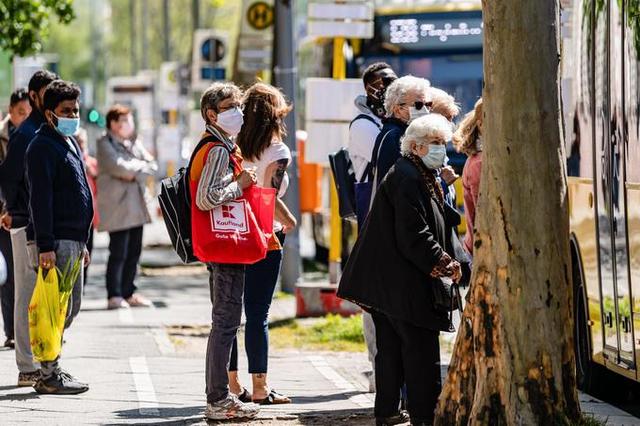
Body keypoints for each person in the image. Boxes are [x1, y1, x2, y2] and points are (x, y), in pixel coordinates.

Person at [338, 114, 462, 426]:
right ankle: (424, 417)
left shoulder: (414, 172)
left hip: (389, 283)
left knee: (391, 351)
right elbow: (413, 233)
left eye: (443, 143)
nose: (441, 150)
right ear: (417, 147)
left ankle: (388, 412)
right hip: (402, 285)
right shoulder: (408, 176)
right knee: (419, 355)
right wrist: (444, 263)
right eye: (436, 144)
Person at [193, 82, 260, 420]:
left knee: (224, 322)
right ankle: (218, 400)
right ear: (211, 114)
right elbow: (206, 198)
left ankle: (218, 398)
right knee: (226, 323)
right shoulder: (217, 149)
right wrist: (241, 185)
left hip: (221, 245)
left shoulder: (217, 145)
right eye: (231, 106)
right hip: (226, 246)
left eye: (239, 105)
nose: (239, 111)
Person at [228, 83, 296, 405]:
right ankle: (260, 387)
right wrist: (289, 220)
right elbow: (266, 196)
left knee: (228, 312)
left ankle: (231, 384)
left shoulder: (233, 144)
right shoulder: (277, 151)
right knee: (257, 313)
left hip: (230, 233)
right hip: (264, 236)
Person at [25, 79, 92, 394]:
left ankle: (51, 367)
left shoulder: (68, 142)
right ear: (49, 112)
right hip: (58, 241)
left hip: (75, 241)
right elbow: (41, 199)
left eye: (76, 110)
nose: (73, 115)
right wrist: (46, 245)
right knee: (55, 308)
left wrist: (84, 242)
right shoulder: (41, 146)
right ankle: (48, 373)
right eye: (66, 110)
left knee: (69, 306)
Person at [0, 69, 58, 387]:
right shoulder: (27, 132)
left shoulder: (46, 128)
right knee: (25, 294)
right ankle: (26, 365)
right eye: (48, 92)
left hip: (40, 226)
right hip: (24, 225)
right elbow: (7, 175)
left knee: (38, 294)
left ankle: (39, 357)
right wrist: (14, 209)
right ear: (35, 96)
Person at [347, 62, 397, 393]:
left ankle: (389, 371)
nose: (390, 87)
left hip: (389, 218)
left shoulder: (383, 122)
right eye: (385, 83)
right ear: (371, 89)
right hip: (373, 219)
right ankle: (378, 368)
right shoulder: (365, 126)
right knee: (374, 298)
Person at [97, 105, 157, 310]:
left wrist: (135, 169)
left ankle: (128, 292)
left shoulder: (134, 143)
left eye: (129, 120)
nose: (128, 125)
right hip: (118, 208)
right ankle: (114, 294)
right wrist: (137, 168)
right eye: (124, 121)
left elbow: (151, 165)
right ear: (113, 123)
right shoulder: (104, 143)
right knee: (118, 251)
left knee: (134, 251)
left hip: (137, 207)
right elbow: (119, 167)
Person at [0, 88, 31, 349]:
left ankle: (27, 330)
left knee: (25, 274)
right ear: (10, 112)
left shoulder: (33, 135)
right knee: (8, 275)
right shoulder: (2, 136)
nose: (24, 117)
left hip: (21, 214)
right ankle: (11, 331)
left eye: (28, 112)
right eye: (20, 112)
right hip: (3, 217)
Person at [371, 76, 431, 193]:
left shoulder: (408, 133)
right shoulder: (394, 137)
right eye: (418, 105)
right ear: (398, 110)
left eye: (428, 104)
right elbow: (399, 188)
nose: (426, 110)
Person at [348, 62, 397, 183]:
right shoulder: (362, 125)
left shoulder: (391, 119)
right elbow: (389, 159)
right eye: (386, 82)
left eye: (395, 82)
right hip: (372, 198)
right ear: (369, 90)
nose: (393, 87)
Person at [453, 98, 483, 255]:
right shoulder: (480, 163)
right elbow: (483, 211)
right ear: (481, 125)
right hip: (482, 251)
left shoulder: (480, 159)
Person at [75, 127, 99, 284]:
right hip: (74, 215)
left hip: (90, 215)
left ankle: (83, 283)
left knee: (89, 249)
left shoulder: (91, 163)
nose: (80, 145)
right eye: (78, 142)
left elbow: (99, 185)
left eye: (82, 142)